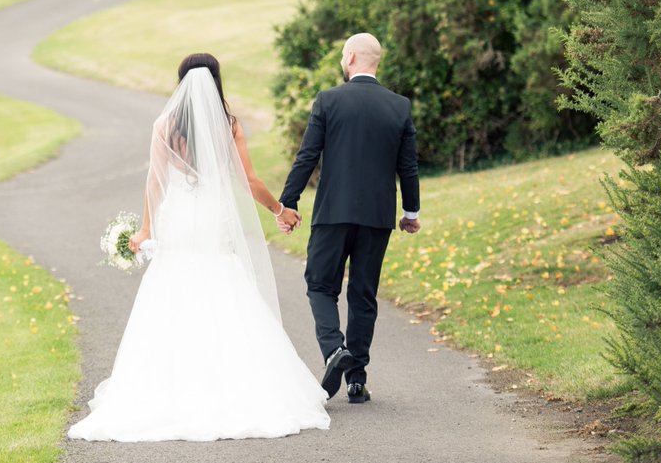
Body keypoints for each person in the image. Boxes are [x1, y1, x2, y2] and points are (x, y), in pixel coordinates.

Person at [67, 53, 329, 442]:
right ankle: (236, 386)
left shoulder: (165, 124)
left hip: (180, 217)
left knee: (174, 290)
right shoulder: (229, 126)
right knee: (224, 287)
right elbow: (248, 181)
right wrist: (279, 209)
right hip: (213, 216)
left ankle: (170, 389)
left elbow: (155, 183)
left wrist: (145, 229)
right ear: (216, 82)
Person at [277, 33, 421, 405]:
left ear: (352, 58)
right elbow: (408, 166)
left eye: (344, 55)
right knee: (362, 294)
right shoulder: (399, 106)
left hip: (333, 213)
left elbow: (306, 156)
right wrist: (410, 212)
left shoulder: (328, 100)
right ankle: (356, 379)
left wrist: (287, 203)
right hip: (377, 216)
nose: (343, 60)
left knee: (320, 285)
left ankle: (333, 350)